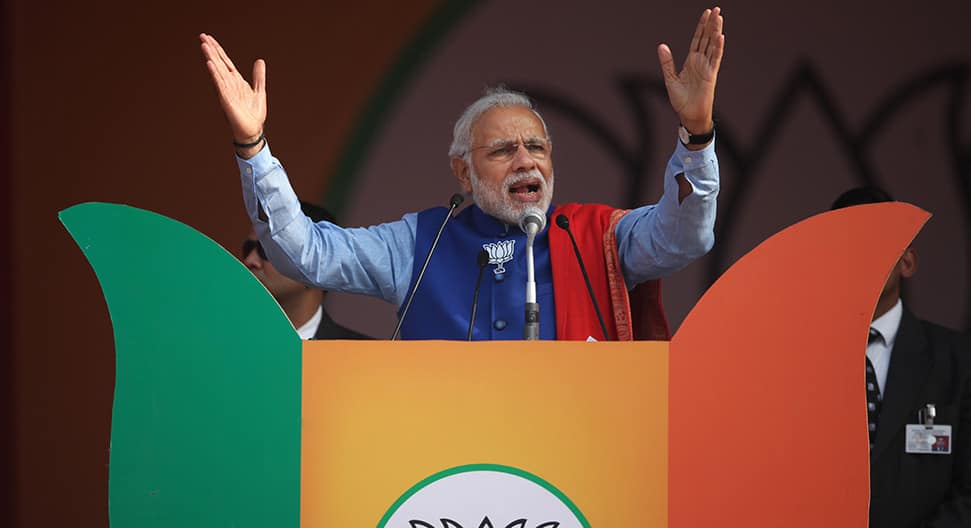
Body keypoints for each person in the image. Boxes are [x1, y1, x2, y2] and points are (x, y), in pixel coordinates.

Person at [199, 7, 725, 340]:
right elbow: (305, 253)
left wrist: (696, 134)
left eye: (537, 147)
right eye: (503, 150)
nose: (527, 160)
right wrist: (253, 146)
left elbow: (685, 237)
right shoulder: (418, 244)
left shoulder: (597, 236)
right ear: (463, 171)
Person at [833, 187, 971, 528]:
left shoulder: (969, 366)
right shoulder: (789, 370)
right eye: (845, 242)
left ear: (908, 261)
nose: (859, 252)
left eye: (876, 238)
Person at [242, 201, 371, 340]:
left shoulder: (364, 356)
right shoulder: (220, 335)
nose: (250, 260)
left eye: (269, 250)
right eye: (248, 248)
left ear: (318, 266)